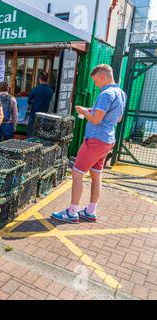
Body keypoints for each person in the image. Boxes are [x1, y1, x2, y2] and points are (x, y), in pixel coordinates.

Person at [52, 64, 126, 224]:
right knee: (96, 175)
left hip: (95, 140)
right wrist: (91, 109)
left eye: (95, 81)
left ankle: (71, 213)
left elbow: (96, 119)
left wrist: (84, 112)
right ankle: (90, 211)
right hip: (108, 140)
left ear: (102, 76)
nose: (95, 85)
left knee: (77, 173)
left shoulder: (106, 94)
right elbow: (117, 118)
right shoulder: (121, 93)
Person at [27, 71, 54, 137]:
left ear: (39, 79)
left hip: (34, 115)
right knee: (42, 135)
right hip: (45, 115)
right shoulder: (51, 90)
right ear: (47, 79)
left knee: (31, 135)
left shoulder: (35, 90)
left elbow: (29, 101)